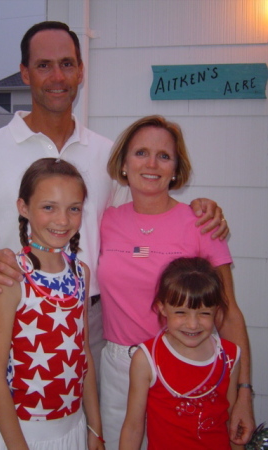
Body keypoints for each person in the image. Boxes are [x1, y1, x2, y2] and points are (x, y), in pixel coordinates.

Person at [0, 21, 227, 449]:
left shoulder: (105, 153)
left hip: (89, 319)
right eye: (44, 65)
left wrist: (202, 209)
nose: (57, 76)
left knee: (81, 435)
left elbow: (145, 204)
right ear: (24, 73)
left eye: (67, 64)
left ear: (80, 72)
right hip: (11, 316)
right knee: (0, 429)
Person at [97, 115, 254, 450]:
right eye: (141, 153)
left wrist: (243, 394)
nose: (152, 164)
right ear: (124, 163)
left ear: (175, 168)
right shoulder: (104, 220)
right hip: (120, 368)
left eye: (164, 156)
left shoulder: (200, 223)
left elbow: (229, 313)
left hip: (188, 362)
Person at [0, 158, 104, 449]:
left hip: (72, 425)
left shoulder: (80, 273)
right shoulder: (11, 276)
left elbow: (83, 352)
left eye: (73, 208)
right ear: (23, 208)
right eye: (49, 207)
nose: (63, 220)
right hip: (21, 434)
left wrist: (95, 428)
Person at [119, 257, 242, 450]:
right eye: (181, 313)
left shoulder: (230, 355)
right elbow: (133, 427)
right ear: (162, 308)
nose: (192, 324)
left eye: (204, 313)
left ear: (216, 311)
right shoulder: (146, 359)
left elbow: (231, 422)